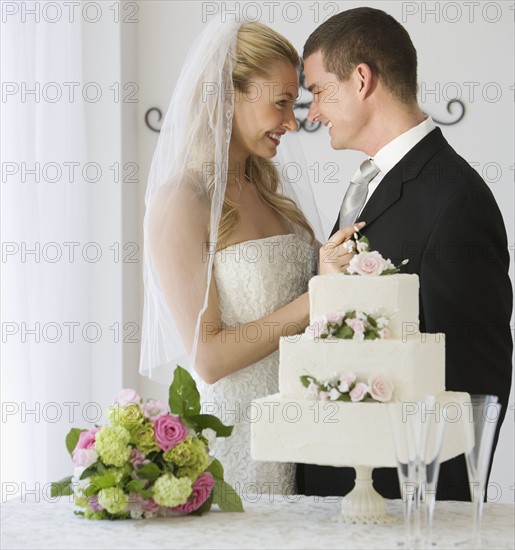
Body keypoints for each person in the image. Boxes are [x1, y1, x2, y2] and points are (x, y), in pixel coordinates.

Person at [298, 6, 513, 501]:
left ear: (360, 79)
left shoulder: (456, 200)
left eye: (317, 91)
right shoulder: (371, 182)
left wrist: (438, 518)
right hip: (342, 489)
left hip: (402, 504)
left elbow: (474, 382)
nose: (313, 113)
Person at [139, 19, 357, 497]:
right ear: (227, 96)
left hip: (303, 438)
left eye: (294, 104)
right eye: (280, 104)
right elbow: (209, 357)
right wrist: (316, 296)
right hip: (238, 445)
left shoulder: (273, 195)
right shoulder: (182, 203)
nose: (293, 122)